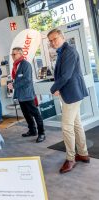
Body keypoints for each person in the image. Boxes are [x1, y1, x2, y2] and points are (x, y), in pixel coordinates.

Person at [47, 28, 89, 174]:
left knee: (67, 127)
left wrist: (53, 88)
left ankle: (71, 158)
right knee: (76, 124)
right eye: (50, 41)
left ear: (62, 37)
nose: (53, 42)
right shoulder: (61, 52)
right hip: (70, 93)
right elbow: (64, 75)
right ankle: (83, 153)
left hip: (72, 94)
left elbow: (65, 75)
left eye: (55, 39)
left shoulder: (69, 51)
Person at [8, 47, 46, 143]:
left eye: (14, 54)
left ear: (20, 54)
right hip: (20, 95)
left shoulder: (26, 65)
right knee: (26, 114)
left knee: (35, 114)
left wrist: (14, 85)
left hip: (27, 94)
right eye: (12, 54)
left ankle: (42, 133)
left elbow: (27, 79)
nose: (12, 56)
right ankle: (32, 130)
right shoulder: (15, 65)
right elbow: (18, 78)